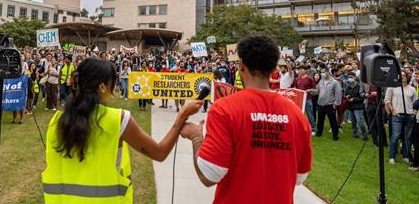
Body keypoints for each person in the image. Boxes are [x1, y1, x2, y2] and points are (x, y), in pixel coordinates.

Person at [42, 58, 203, 203]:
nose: (116, 87)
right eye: (114, 82)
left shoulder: (56, 120)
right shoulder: (117, 119)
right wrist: (181, 117)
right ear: (103, 86)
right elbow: (159, 153)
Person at [179, 34, 312, 204]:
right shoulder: (297, 115)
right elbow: (299, 178)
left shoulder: (224, 109)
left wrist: (196, 137)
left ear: (241, 65)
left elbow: (209, 175)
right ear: (274, 69)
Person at [385, 72, 417, 165]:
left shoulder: (412, 89)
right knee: (395, 136)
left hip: (409, 116)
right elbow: (387, 99)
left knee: (408, 137)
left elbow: (415, 102)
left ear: (407, 77)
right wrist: (392, 110)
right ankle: (392, 156)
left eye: (404, 75)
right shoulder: (392, 87)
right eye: (401, 75)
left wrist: (414, 112)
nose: (402, 77)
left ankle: (405, 155)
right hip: (397, 115)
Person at [316, 66, 342, 140]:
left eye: (323, 72)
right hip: (321, 104)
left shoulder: (334, 82)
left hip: (330, 105)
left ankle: (335, 136)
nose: (322, 73)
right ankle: (319, 133)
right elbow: (318, 91)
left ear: (328, 72)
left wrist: (335, 104)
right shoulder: (321, 81)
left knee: (333, 121)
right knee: (320, 120)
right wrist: (309, 91)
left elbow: (338, 93)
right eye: (321, 72)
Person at [344, 71, 368, 141]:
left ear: (354, 77)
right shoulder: (348, 86)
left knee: (360, 121)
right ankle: (355, 134)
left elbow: (361, 97)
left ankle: (364, 135)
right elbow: (345, 94)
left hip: (358, 106)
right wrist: (347, 96)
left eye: (351, 77)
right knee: (353, 121)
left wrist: (353, 99)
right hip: (350, 106)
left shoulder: (359, 86)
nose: (350, 78)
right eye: (349, 77)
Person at [294, 65, 317, 135]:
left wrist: (309, 90)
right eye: (299, 69)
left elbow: (315, 89)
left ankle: (313, 129)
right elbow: (295, 87)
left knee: (310, 114)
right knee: (299, 114)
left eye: (301, 69)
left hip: (307, 99)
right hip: (299, 99)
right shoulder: (297, 79)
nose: (300, 71)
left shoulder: (309, 78)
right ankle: (300, 127)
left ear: (305, 70)